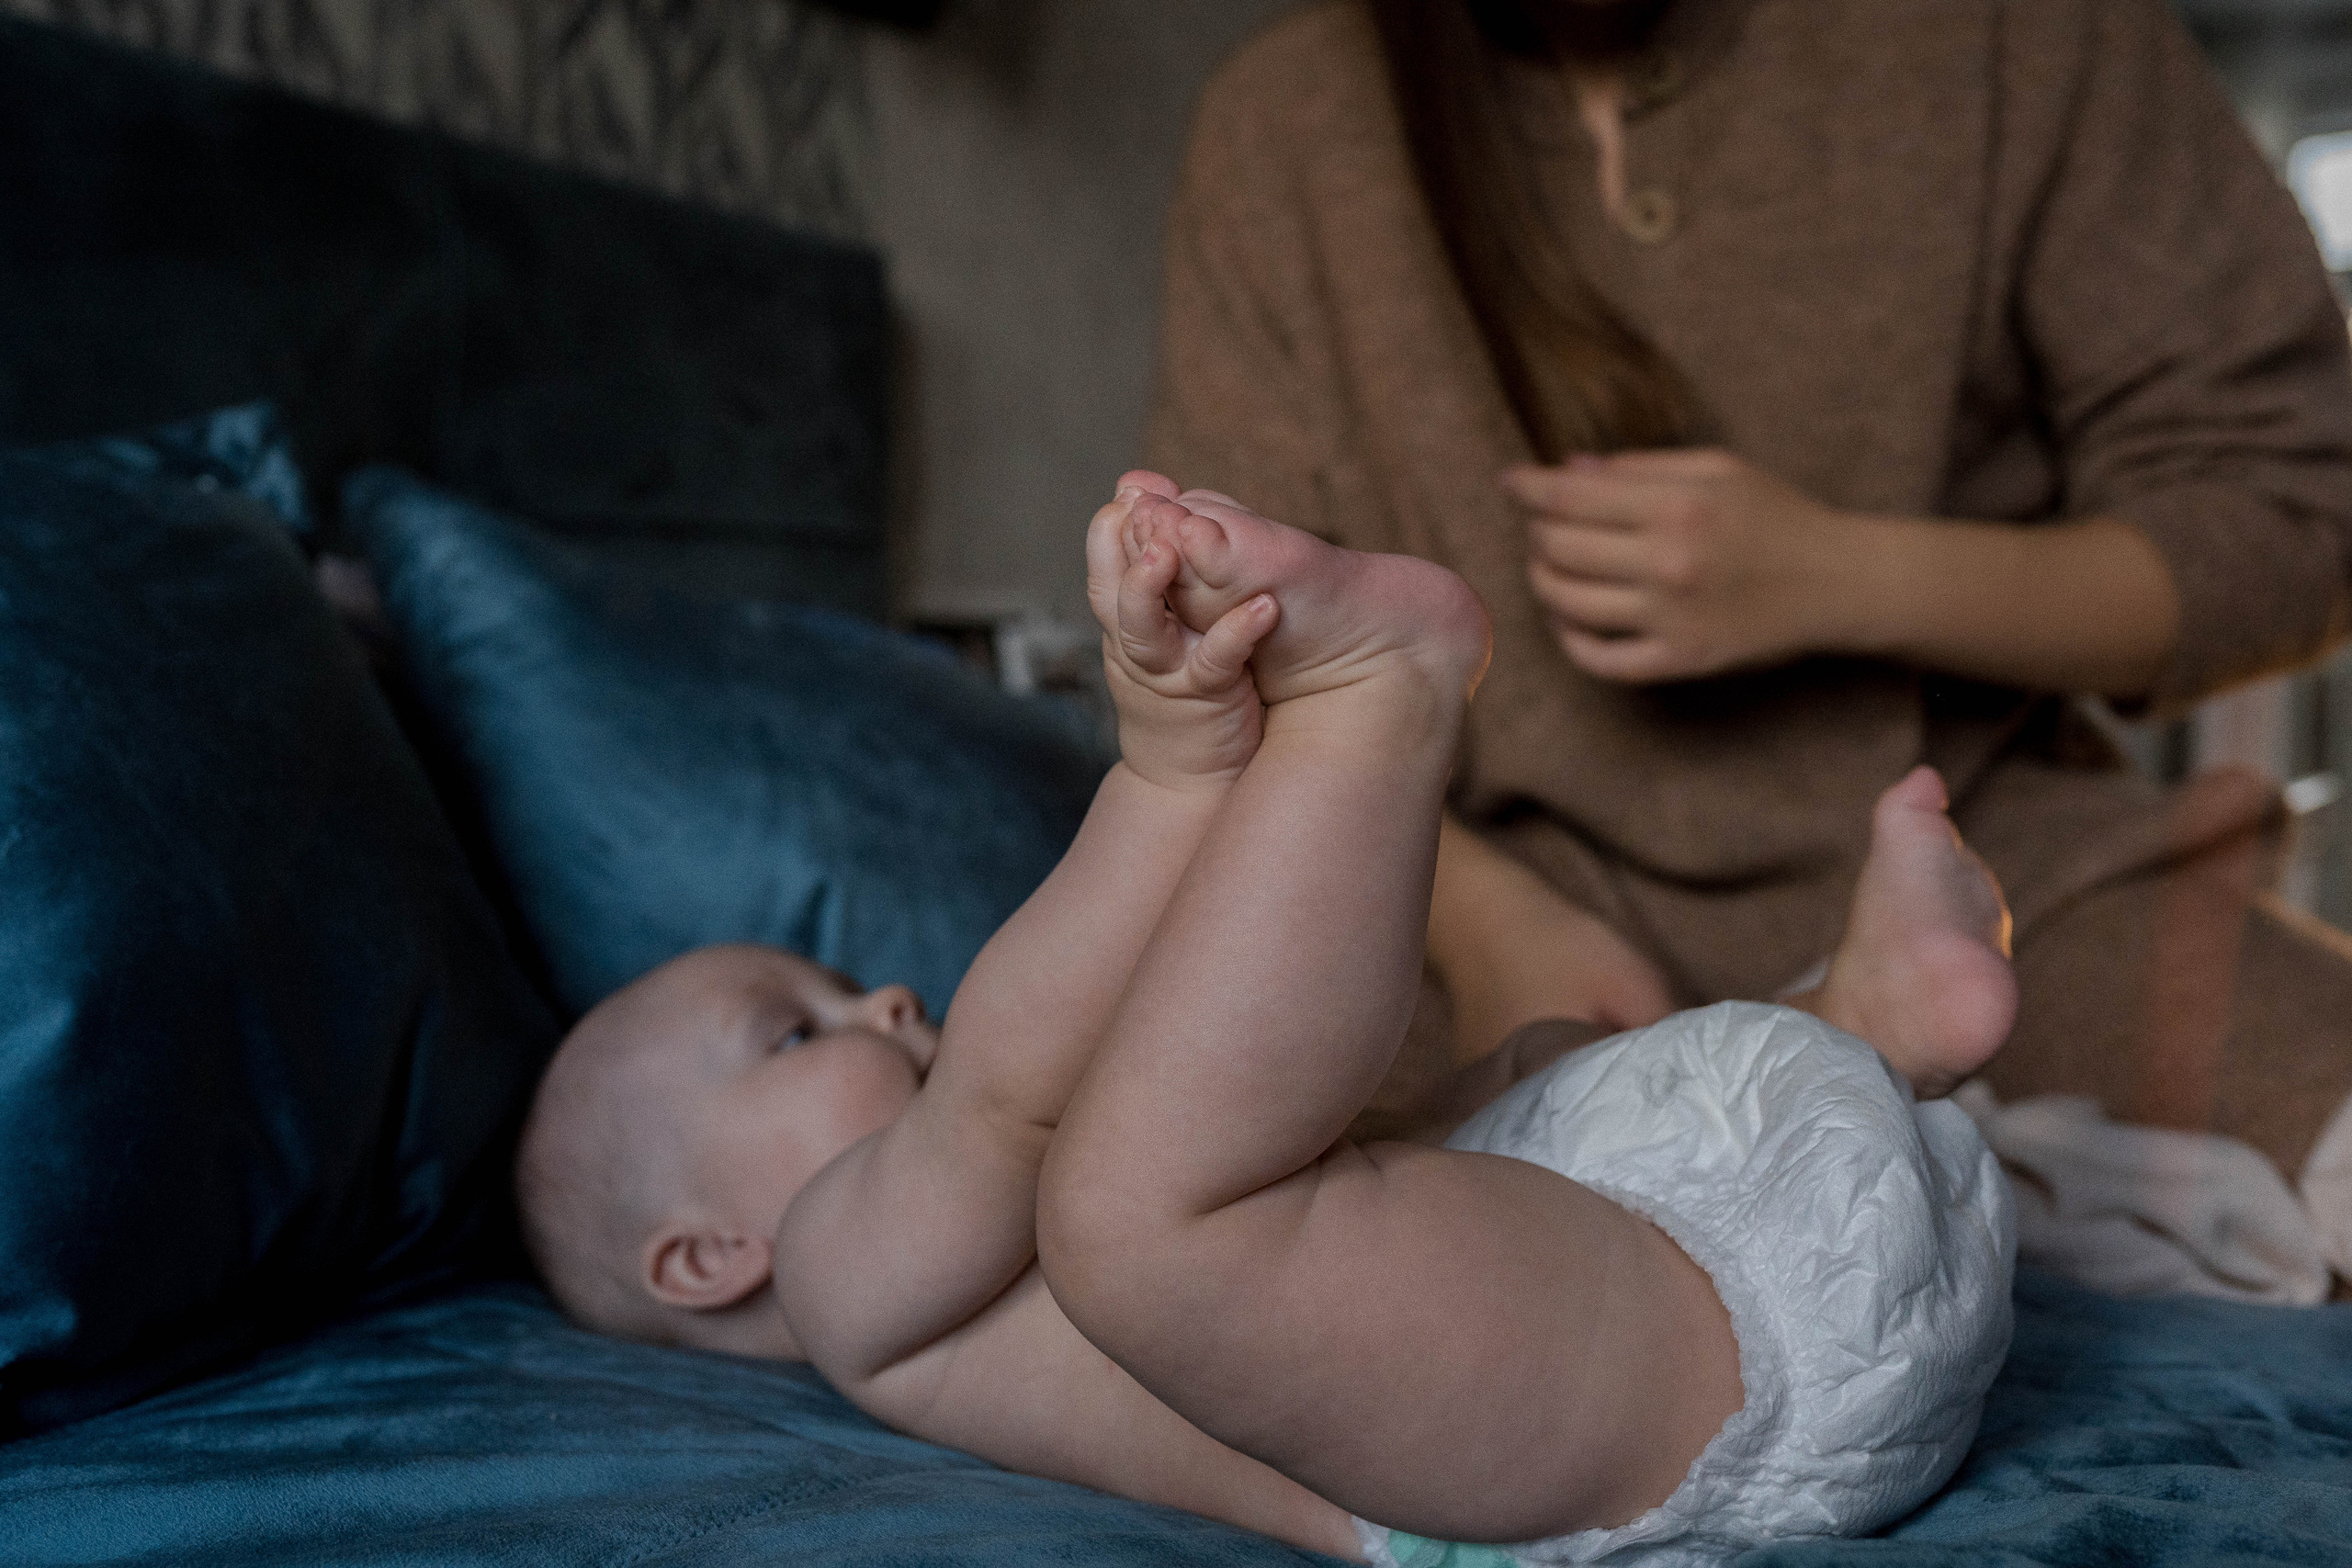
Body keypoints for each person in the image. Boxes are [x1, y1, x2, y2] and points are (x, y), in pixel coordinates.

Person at [517, 476, 2013, 1564]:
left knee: (1453, 1113)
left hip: (1701, 1273)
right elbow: (998, 1094)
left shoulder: (1000, 1275)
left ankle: (1862, 1028)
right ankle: (1379, 707)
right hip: (1678, 1403)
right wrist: (1168, 778)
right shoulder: (846, 1279)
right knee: (1132, 1219)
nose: (888, 996)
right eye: (798, 1028)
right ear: (713, 1259)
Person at [1145, 0, 2352, 1270]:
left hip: (2004, 880)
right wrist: (1489, 924)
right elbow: (1232, 679)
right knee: (1224, 1245)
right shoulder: (1285, 124)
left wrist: (1847, 576)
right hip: (1464, 917)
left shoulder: (2020, 37)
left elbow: (2293, 520)